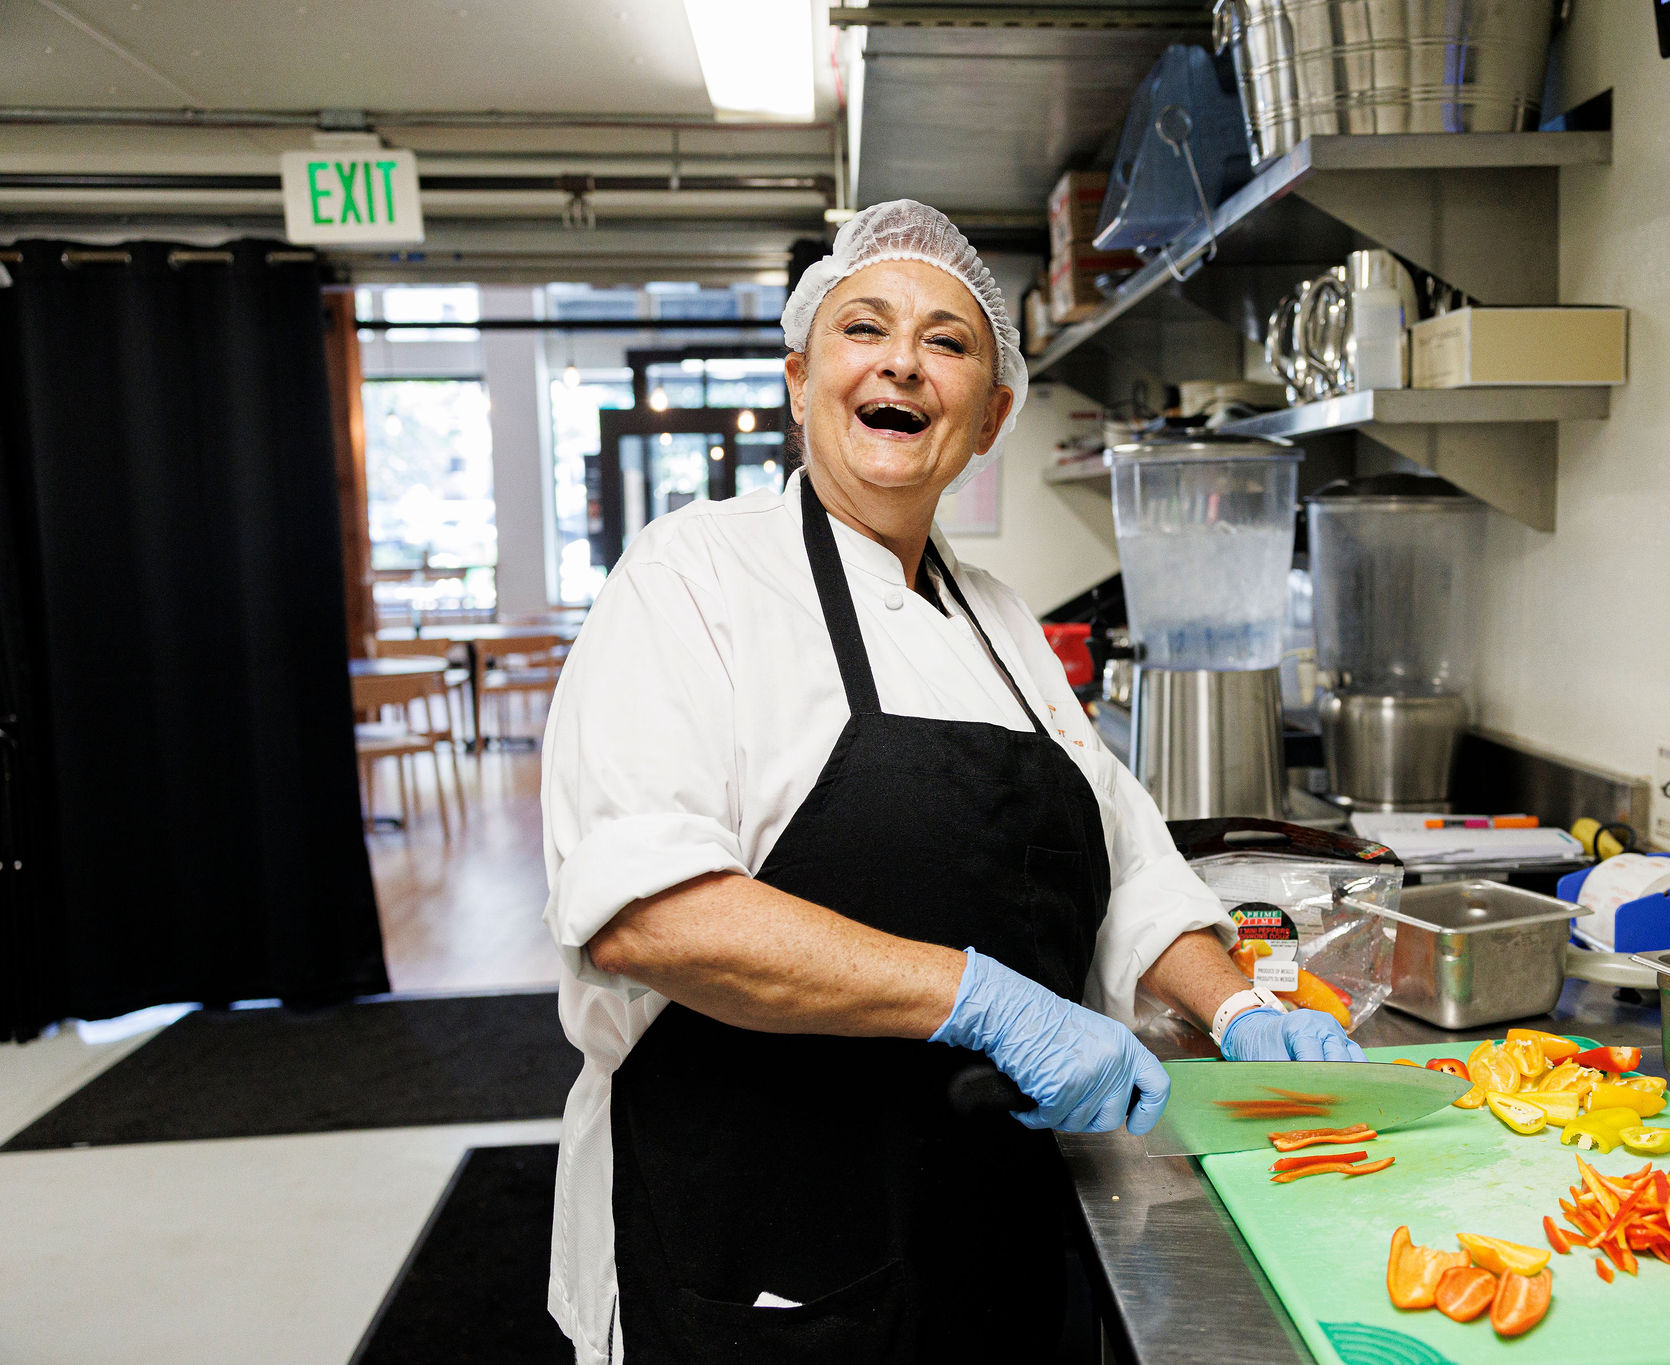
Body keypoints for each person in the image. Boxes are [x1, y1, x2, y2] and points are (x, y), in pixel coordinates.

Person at [540, 200, 1363, 1364]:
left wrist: (1232, 1004)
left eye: (947, 341)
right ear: (799, 378)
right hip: (763, 1235)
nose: (901, 363)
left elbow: (1123, 864)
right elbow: (648, 916)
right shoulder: (692, 579)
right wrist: (988, 1001)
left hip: (996, 1216)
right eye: (862, 328)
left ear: (990, 416)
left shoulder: (1000, 621)